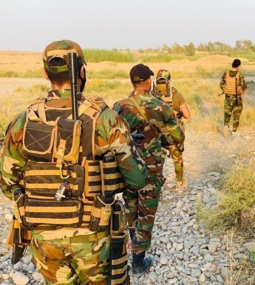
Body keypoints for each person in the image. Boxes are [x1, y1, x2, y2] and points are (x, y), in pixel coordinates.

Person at [0, 40, 147, 285]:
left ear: (45, 73)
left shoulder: (23, 121)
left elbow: (7, 184)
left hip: (44, 238)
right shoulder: (105, 119)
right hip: (94, 236)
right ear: (82, 71)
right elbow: (138, 179)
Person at [113, 64, 185, 276]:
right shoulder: (161, 107)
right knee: (147, 214)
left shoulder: (118, 107)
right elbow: (178, 136)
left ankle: (132, 244)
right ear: (147, 81)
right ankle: (138, 261)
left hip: (126, 169)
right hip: (151, 171)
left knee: (131, 207)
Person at [153, 69, 191, 191]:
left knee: (158, 160)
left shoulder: (150, 95)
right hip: (173, 134)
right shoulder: (176, 95)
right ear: (169, 79)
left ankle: (156, 187)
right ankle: (179, 183)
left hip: (157, 134)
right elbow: (187, 115)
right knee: (177, 158)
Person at [219, 59, 247, 137]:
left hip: (228, 98)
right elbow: (244, 86)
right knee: (236, 115)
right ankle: (234, 131)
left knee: (227, 114)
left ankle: (226, 126)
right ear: (238, 66)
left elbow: (221, 84)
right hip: (237, 99)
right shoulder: (239, 75)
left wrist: (226, 90)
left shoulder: (225, 74)